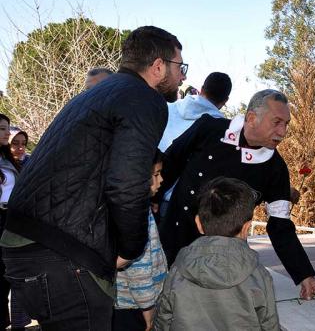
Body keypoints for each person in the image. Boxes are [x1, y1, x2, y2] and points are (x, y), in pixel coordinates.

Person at [1, 26, 185, 330]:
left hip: (26, 246)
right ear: (158, 66)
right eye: (180, 67)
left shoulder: (98, 94)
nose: (183, 77)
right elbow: (127, 184)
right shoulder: (143, 98)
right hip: (62, 257)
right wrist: (129, 250)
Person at [158, 89, 315, 300]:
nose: (283, 132)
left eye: (286, 124)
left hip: (222, 260)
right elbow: (169, 164)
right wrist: (152, 200)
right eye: (277, 122)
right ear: (251, 118)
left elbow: (280, 226)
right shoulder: (209, 128)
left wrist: (304, 274)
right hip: (174, 237)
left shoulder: (276, 168)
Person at [154, 177, 279, 330]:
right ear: (246, 228)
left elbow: (163, 318)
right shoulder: (258, 274)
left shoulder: (178, 269)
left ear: (198, 223)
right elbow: (269, 324)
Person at [155, 72, 232, 220]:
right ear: (225, 100)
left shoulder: (168, 108)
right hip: (189, 204)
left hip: (154, 191)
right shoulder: (221, 130)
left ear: (202, 89)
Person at [113, 151, 168, 331]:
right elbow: (139, 268)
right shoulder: (137, 213)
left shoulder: (125, 205)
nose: (160, 181)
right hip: (136, 306)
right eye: (155, 175)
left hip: (126, 303)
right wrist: (148, 308)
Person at [0, 114, 21, 330]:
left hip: (9, 220)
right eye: (2, 129)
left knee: (7, 275)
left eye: (7, 128)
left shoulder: (8, 160)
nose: (7, 133)